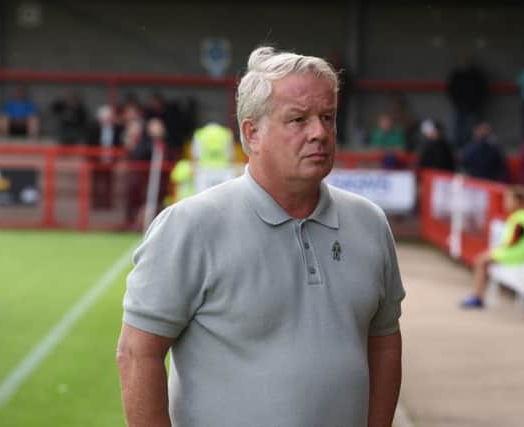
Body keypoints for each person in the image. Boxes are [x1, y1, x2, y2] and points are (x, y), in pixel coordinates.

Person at [117, 46, 405, 427]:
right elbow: (138, 354)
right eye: (298, 119)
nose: (319, 132)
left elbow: (384, 342)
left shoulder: (369, 223)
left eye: (328, 117)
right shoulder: (190, 225)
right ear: (252, 134)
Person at [461, 186, 524, 308]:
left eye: (509, 199)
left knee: (481, 261)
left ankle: (477, 297)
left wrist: (497, 250)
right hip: (515, 252)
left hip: (517, 254)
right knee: (483, 259)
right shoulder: (522, 216)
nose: (506, 203)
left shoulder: (522, 217)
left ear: (518, 201)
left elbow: (514, 240)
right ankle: (477, 296)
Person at [446, 55, 489, 149]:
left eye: (466, 62)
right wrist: (456, 102)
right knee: (458, 127)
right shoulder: (456, 75)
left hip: (473, 106)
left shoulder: (476, 75)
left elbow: (483, 90)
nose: (464, 64)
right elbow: (450, 89)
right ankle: (458, 146)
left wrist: (477, 102)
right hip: (459, 106)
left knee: (472, 127)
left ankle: (470, 146)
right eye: (462, 62)